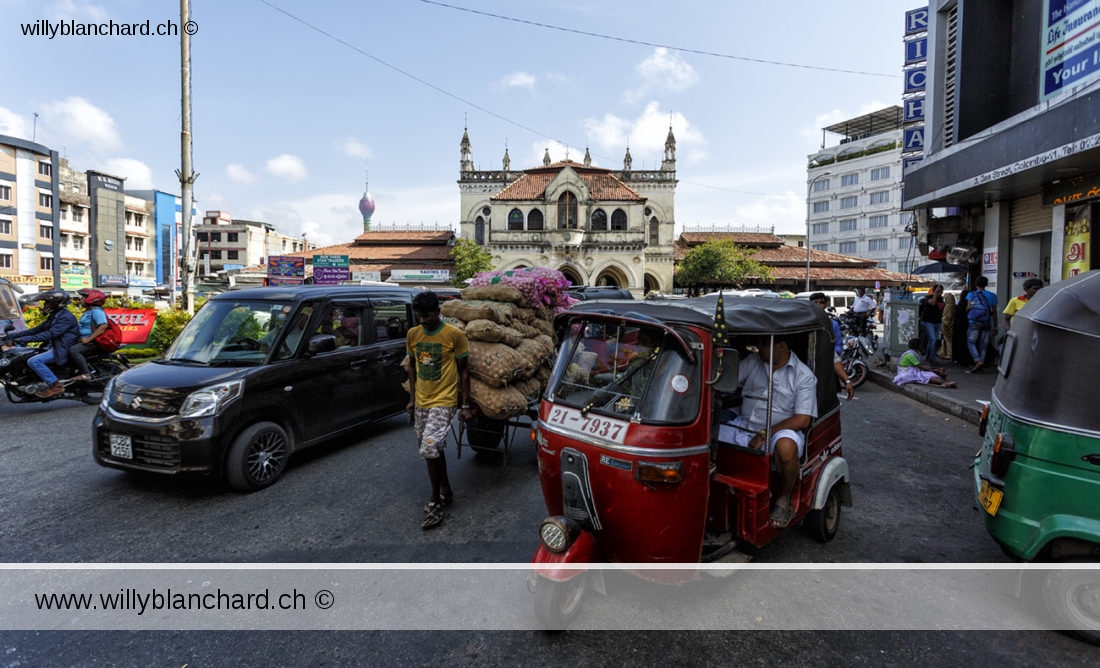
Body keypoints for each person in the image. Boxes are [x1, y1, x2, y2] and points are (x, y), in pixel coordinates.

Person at [719, 335, 817, 529]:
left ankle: (783, 500)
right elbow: (730, 380)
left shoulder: (803, 375)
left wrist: (765, 433)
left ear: (781, 346)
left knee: (787, 448)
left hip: (780, 431)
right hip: (746, 425)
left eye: (764, 344)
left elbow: (803, 419)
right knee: (707, 435)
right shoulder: (755, 361)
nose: (759, 347)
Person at [406, 291, 471, 530]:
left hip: (444, 400)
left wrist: (464, 405)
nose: (422, 320)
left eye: (427, 315)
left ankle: (435, 500)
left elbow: (464, 371)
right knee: (433, 449)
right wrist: (412, 399)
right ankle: (447, 490)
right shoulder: (413, 334)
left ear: (438, 312)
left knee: (430, 447)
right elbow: (412, 367)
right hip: (422, 400)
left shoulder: (454, 335)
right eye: (419, 316)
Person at [1, 291, 80, 397]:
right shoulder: (55, 315)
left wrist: (21, 340)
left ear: (55, 303)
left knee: (34, 361)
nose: (44, 306)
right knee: (22, 354)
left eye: (46, 303)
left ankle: (56, 386)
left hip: (62, 348)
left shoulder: (65, 317)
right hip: (54, 346)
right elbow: (35, 330)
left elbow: (48, 335)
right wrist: (9, 336)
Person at [810, 292, 854, 401]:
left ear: (825, 305)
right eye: (815, 302)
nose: (818, 305)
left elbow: (837, 347)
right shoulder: (803, 322)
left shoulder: (832, 324)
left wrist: (847, 381)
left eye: (821, 302)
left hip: (826, 368)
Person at [69, 288, 110, 381]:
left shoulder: (96, 311)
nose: (80, 300)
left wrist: (88, 339)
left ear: (91, 299)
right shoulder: (89, 311)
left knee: (74, 350)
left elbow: (103, 326)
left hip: (94, 342)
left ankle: (86, 374)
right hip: (86, 340)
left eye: (82, 298)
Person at [965, 276, 998, 373]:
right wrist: (995, 325)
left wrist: (967, 311)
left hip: (974, 322)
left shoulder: (971, 294)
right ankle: (981, 363)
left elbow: (968, 307)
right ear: (986, 285)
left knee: (971, 342)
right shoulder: (992, 295)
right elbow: (994, 312)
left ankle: (977, 360)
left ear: (976, 284)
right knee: (983, 344)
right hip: (987, 321)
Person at [918, 284, 945, 364]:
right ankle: (933, 358)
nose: (939, 293)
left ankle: (927, 356)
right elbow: (933, 303)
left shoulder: (941, 299)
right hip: (928, 322)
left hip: (937, 322)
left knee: (932, 340)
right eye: (937, 291)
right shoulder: (928, 298)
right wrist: (935, 294)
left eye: (940, 291)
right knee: (932, 339)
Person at [952, 289, 973, 368]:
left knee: (958, 342)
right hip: (967, 326)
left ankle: (958, 358)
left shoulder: (958, 306)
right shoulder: (969, 307)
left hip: (958, 327)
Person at [939, 293, 956, 362]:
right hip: (951, 325)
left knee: (948, 340)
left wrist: (945, 323)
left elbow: (947, 317)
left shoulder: (949, 306)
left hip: (947, 326)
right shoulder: (954, 305)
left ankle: (949, 354)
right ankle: (944, 353)